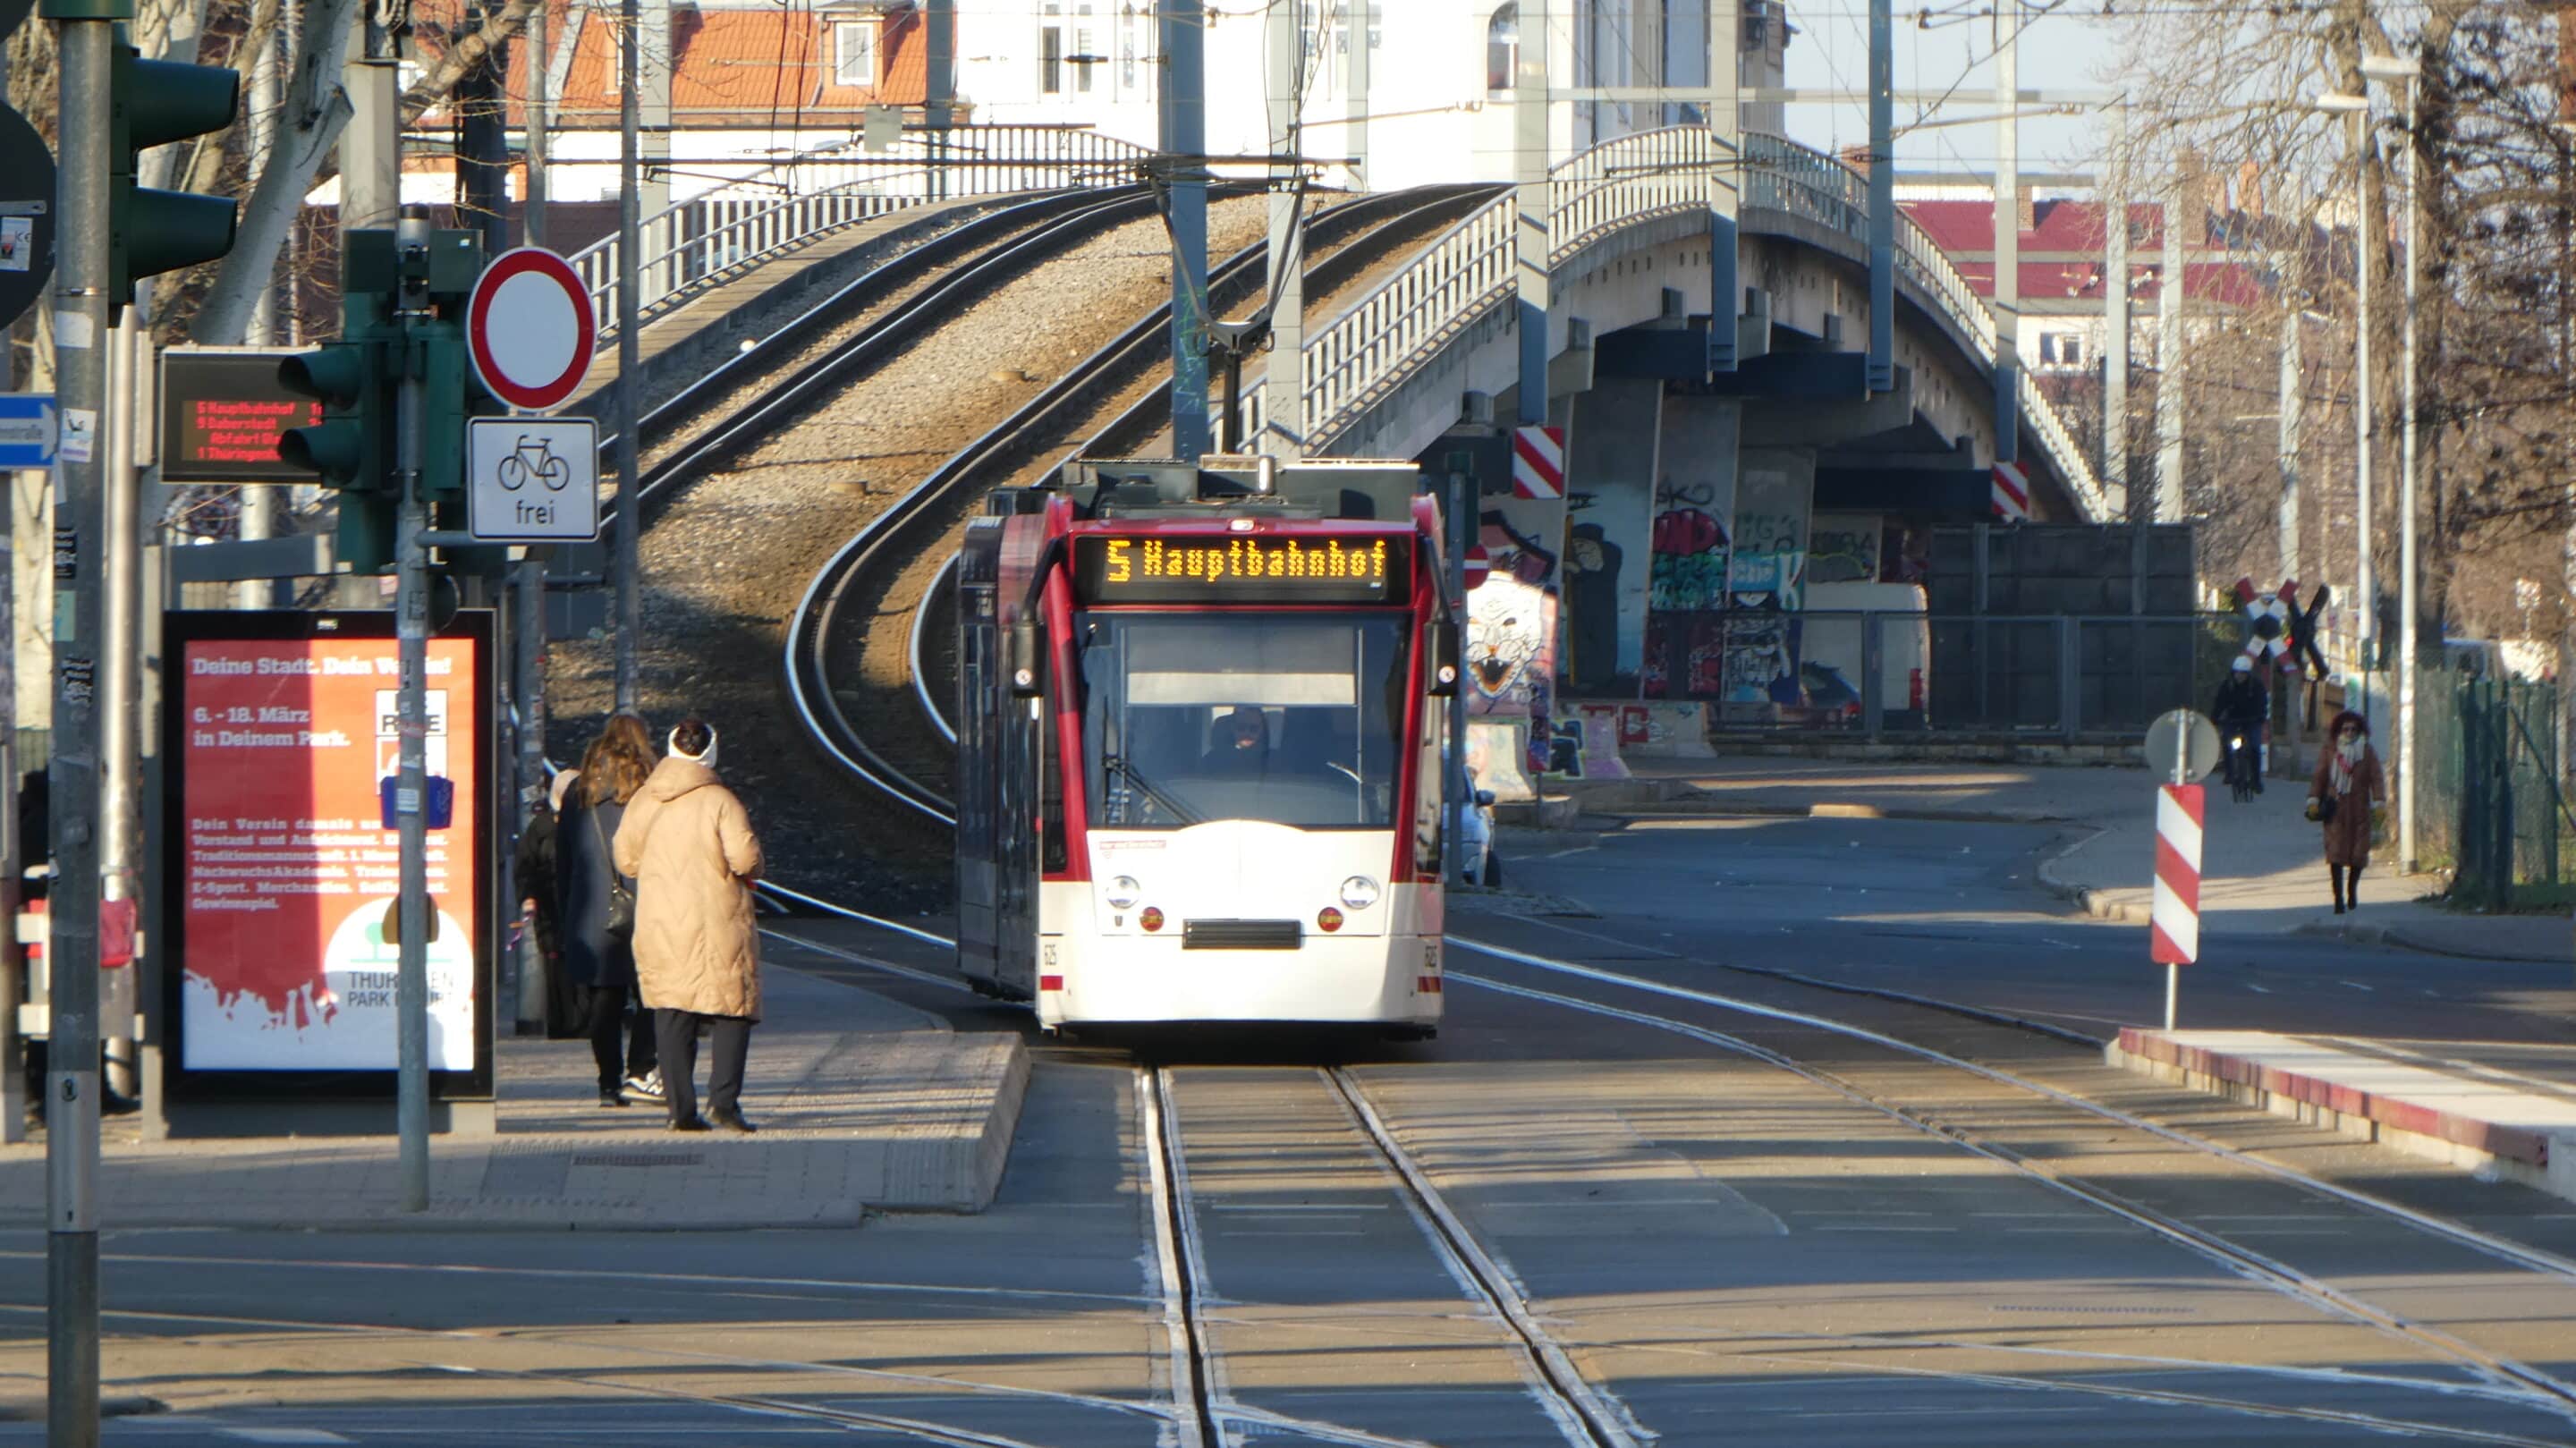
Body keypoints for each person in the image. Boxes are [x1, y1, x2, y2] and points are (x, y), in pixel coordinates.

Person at [615, 718, 765, 1133]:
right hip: (718, 921)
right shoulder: (721, 801)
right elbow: (745, 860)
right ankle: (724, 1104)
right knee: (733, 1009)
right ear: (710, 753)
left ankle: (680, 1111)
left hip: (661, 920)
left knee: (671, 1009)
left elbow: (626, 860)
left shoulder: (646, 800)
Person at [557, 716, 662, 1107]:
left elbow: (564, 861)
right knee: (653, 992)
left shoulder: (577, 794)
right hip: (644, 904)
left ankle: (607, 1083)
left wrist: (567, 912)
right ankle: (641, 1069)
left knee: (605, 998)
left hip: (591, 910)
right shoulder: (648, 792)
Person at [514, 768, 582, 1039]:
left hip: (571, 903)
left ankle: (573, 1022)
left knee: (566, 966)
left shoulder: (580, 822)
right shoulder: (544, 826)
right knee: (557, 965)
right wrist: (528, 897)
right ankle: (565, 1023)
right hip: (553, 906)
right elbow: (526, 866)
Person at [2307, 710, 2385, 915]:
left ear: (2360, 731)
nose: (2349, 732)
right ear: (2338, 731)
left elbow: (2376, 778)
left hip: (2360, 809)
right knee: (2335, 854)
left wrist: (2379, 802)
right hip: (2335, 810)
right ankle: (2338, 899)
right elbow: (2319, 777)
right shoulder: (2330, 751)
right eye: (2345, 729)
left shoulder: (2367, 752)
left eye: (2353, 729)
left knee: (2359, 854)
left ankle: (2352, 890)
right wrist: (2313, 800)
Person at [2212, 656, 2270, 795]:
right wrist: (2215, 718)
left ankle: (2256, 780)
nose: (2239, 676)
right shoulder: (2227, 685)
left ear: (2248, 674)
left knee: (2255, 747)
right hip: (2232, 720)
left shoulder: (2256, 686)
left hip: (2252, 720)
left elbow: (2262, 703)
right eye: (2237, 672)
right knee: (2228, 743)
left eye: (2243, 673)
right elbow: (2219, 703)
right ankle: (2230, 773)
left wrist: (2261, 717)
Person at [1202, 706, 1269, 772]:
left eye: (1254, 728)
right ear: (1232, 728)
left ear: (1262, 729)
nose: (1247, 733)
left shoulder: (1273, 760)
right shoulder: (1212, 760)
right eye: (1241, 728)